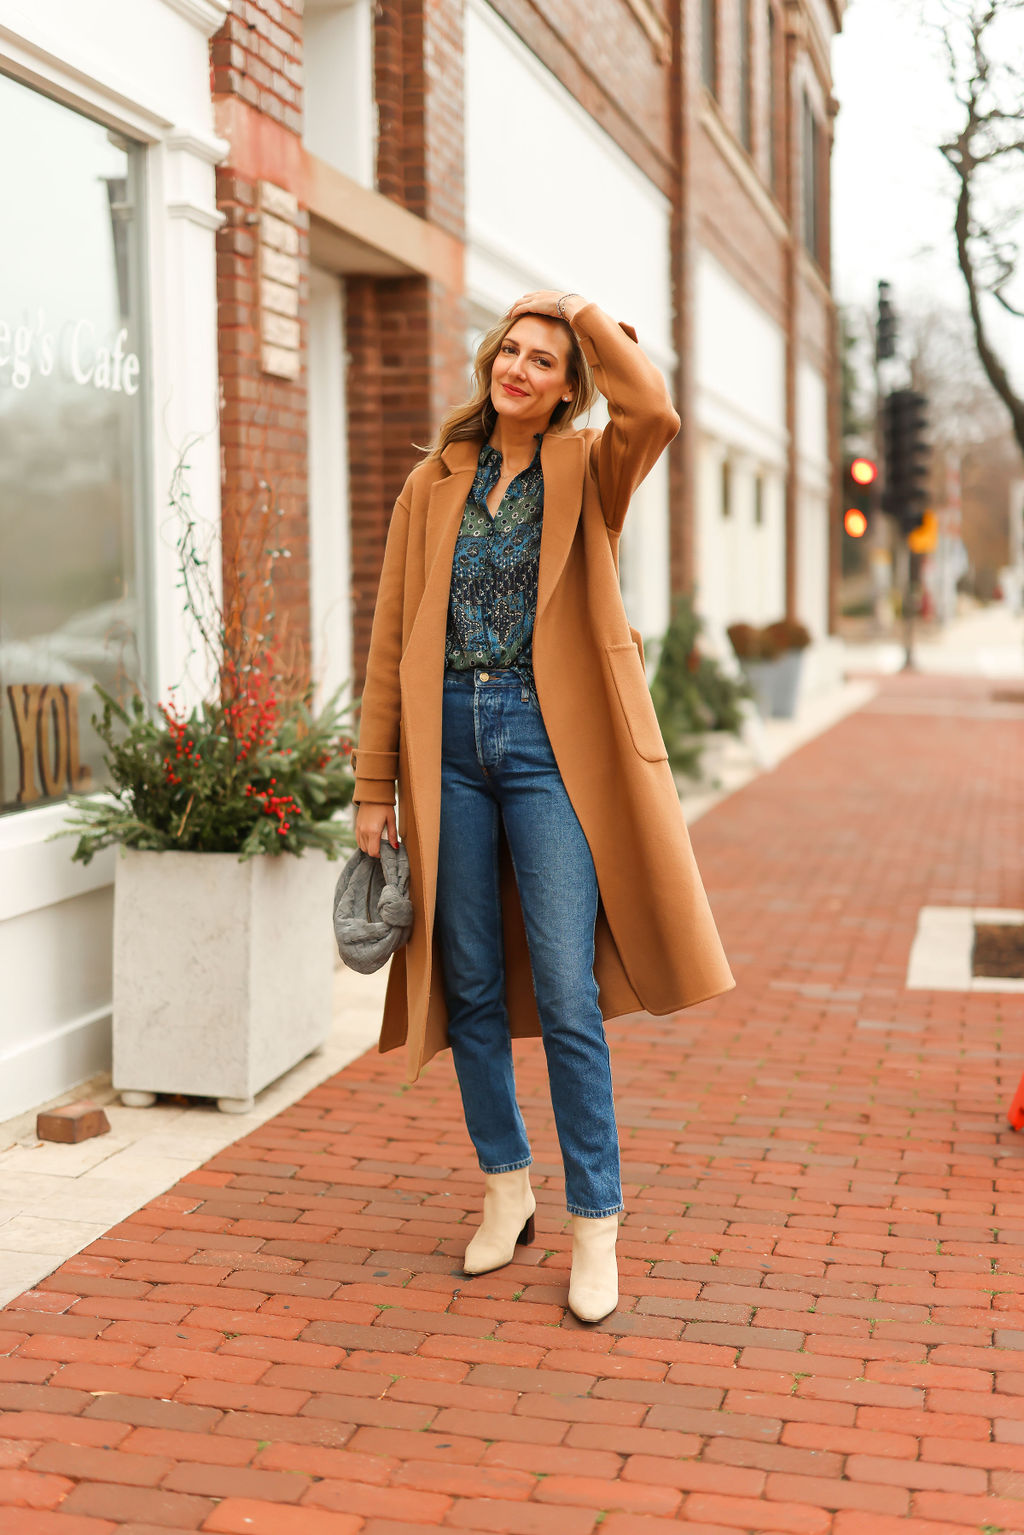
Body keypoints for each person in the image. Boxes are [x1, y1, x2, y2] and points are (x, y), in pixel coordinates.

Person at [353, 291, 733, 1322]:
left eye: (542, 359)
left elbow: (653, 412)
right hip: (447, 747)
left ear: (568, 386)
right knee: (469, 977)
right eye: (509, 349)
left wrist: (579, 314)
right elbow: (390, 643)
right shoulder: (430, 486)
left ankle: (594, 1221)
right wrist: (371, 787)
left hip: (544, 744)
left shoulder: (586, 467)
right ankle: (505, 1185)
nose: (516, 367)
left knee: (565, 985)